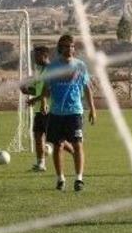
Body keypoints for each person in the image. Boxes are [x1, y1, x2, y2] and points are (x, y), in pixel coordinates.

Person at [41, 34, 96, 192]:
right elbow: (46, 88)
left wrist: (92, 108)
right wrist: (44, 102)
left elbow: (86, 88)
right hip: (57, 113)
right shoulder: (52, 68)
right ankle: (60, 178)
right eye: (65, 46)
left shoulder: (80, 66)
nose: (69, 49)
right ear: (60, 48)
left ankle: (79, 178)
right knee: (57, 146)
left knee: (77, 144)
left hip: (75, 112)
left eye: (71, 46)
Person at [20, 45, 74, 172]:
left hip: (51, 109)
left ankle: (75, 152)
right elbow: (37, 89)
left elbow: (48, 92)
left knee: (56, 139)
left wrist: (38, 100)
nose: (34, 58)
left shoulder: (51, 71)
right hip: (41, 109)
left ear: (45, 56)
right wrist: (26, 90)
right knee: (38, 136)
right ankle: (41, 164)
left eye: (37, 56)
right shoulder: (40, 71)